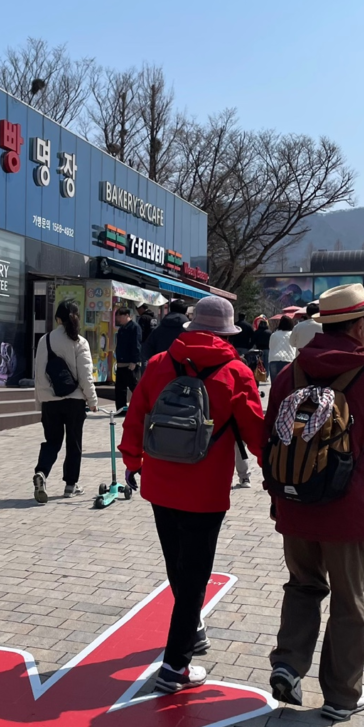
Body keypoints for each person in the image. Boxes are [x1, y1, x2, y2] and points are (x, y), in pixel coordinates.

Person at [265, 284, 364, 721]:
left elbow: (270, 435)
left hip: (296, 502)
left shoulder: (292, 373)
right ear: (359, 326)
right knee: (347, 597)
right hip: (350, 509)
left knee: (302, 585)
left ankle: (288, 662)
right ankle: (341, 695)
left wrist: (277, 499)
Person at [119, 296, 265, 693]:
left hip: (160, 481)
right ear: (226, 332)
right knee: (195, 573)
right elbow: (255, 433)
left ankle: (193, 631)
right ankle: (174, 667)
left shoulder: (158, 364)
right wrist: (276, 475)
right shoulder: (236, 372)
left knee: (177, 565)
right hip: (206, 488)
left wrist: (133, 462)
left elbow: (136, 417)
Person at [32, 300, 98, 502]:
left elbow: (39, 373)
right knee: (73, 443)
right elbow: (86, 375)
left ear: (58, 319)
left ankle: (42, 473)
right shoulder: (79, 341)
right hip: (74, 401)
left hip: (50, 402)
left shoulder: (45, 340)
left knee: (52, 441)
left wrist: (40, 401)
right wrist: (92, 400)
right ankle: (71, 485)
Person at [113, 306, 142, 414]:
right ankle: (121, 410)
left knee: (134, 386)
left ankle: (141, 407)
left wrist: (134, 361)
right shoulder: (121, 329)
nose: (118, 320)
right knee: (120, 389)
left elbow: (136, 345)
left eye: (120, 317)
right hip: (120, 363)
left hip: (130, 363)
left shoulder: (134, 327)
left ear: (126, 315)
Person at [268, 316, 296, 383]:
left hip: (274, 359)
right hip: (289, 360)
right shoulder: (292, 334)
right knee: (286, 384)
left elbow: (270, 346)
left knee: (275, 384)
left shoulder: (274, 334)